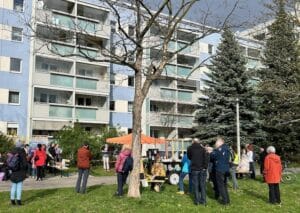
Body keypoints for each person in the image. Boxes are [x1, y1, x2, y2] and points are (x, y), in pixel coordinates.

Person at [187, 138, 209, 205]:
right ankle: (204, 201)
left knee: (196, 185)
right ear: (199, 142)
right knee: (202, 185)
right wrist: (205, 167)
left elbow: (189, 157)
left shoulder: (190, 148)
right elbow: (206, 158)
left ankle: (197, 201)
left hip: (194, 168)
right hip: (202, 169)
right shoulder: (203, 149)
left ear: (193, 141)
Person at [210, 138, 230, 205]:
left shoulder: (219, 149)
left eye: (216, 143)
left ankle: (224, 201)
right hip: (226, 169)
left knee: (221, 186)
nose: (215, 144)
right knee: (224, 185)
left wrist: (211, 152)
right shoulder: (226, 148)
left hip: (220, 169)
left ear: (220, 142)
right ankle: (227, 200)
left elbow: (213, 156)